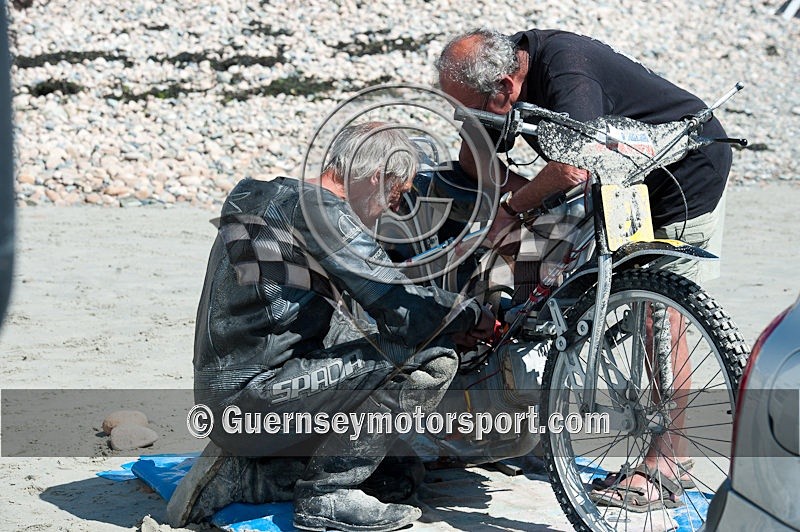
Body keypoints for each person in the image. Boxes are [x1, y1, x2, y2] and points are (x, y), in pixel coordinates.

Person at [435, 28, 732, 512]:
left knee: (659, 310)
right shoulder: (487, 77)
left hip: (685, 168)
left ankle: (667, 464)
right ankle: (519, 424)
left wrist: (512, 208)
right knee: (535, 273)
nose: (461, 116)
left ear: (507, 89)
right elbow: (473, 156)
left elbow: (574, 168)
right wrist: (515, 195)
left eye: (468, 107)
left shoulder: (564, 69)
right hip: (621, 172)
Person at [166, 122, 495, 532]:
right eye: (397, 192)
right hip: (255, 397)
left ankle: (245, 476)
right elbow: (403, 307)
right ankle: (328, 495)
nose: (394, 206)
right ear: (377, 177)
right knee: (429, 358)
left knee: (399, 473)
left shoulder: (264, 194)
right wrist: (470, 315)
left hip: (228, 393)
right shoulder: (325, 216)